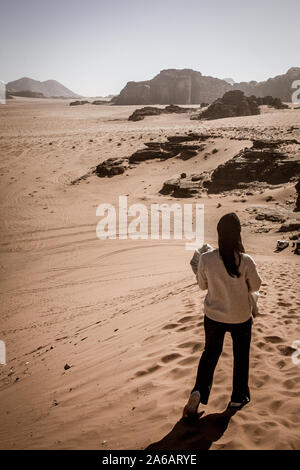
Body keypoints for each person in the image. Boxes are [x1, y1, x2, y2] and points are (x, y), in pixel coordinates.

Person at [183, 213, 262, 417]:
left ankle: (198, 391)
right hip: (240, 318)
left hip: (214, 317)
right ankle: (237, 398)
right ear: (238, 235)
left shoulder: (206, 259)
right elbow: (256, 286)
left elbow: (202, 286)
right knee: (241, 356)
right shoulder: (246, 260)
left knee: (210, 354)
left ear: (218, 234)